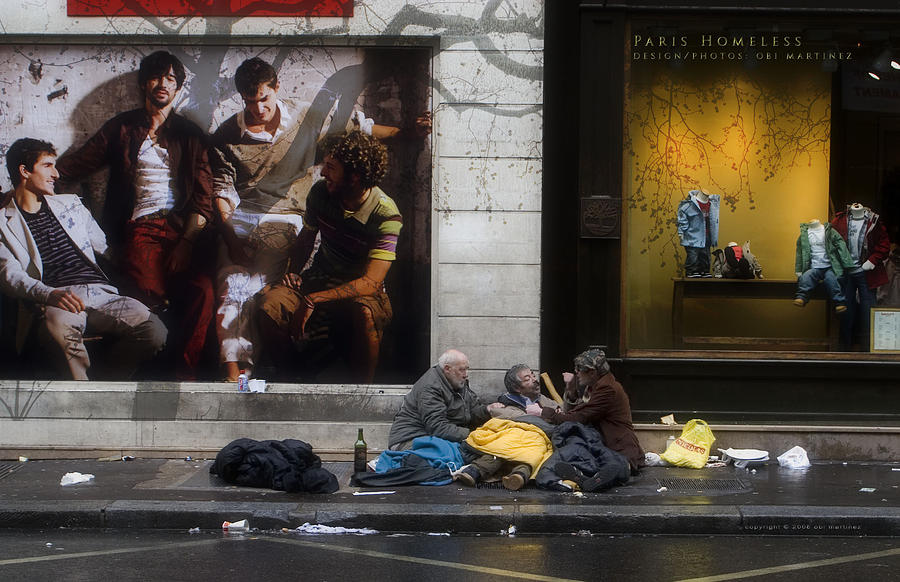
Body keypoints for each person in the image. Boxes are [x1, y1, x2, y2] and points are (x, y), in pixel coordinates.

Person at [210, 57, 406, 382]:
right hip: (243, 221)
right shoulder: (226, 135)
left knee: (255, 289)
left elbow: (359, 128)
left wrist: (405, 131)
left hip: (287, 220)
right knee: (230, 287)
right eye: (249, 102)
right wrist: (231, 240)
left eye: (264, 99)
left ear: (276, 88)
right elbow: (221, 192)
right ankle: (234, 374)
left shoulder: (304, 116)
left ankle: (254, 372)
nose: (258, 109)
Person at [56, 50, 215, 380]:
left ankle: (183, 378)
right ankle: (148, 370)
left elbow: (204, 199)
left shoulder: (190, 134)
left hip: (182, 230)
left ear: (178, 87)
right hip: (139, 227)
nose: (163, 84)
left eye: (171, 79)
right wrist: (34, 179)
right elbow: (78, 163)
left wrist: (186, 243)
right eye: (157, 77)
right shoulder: (123, 127)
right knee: (146, 294)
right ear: (144, 83)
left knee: (203, 292)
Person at [0, 138, 167, 380]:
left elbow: (104, 248)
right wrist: (48, 294)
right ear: (24, 171)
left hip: (102, 294)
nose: (56, 174)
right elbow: (9, 276)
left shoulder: (71, 205)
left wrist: (144, 271)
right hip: (57, 299)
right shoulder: (4, 223)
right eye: (47, 166)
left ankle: (105, 386)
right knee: (56, 328)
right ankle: (81, 391)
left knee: (154, 331)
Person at [256, 130, 401, 383]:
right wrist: (292, 272)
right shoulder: (321, 193)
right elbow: (305, 240)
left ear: (354, 176)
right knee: (270, 304)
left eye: (331, 168)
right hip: (320, 278)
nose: (323, 173)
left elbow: (371, 282)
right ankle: (292, 381)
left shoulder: (386, 214)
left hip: (360, 288)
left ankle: (361, 394)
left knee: (365, 312)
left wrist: (313, 300)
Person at [540, 348, 643, 474]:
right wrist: (571, 391)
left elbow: (580, 417)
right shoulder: (595, 386)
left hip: (619, 452)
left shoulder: (607, 389)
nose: (576, 372)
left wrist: (545, 413)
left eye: (580, 369)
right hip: (606, 449)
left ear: (592, 373)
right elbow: (580, 412)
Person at [387, 349, 497, 451]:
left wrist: (487, 410)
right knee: (459, 453)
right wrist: (473, 434)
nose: (466, 375)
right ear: (447, 369)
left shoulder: (457, 382)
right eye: (462, 370)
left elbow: (470, 412)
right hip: (409, 439)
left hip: (432, 437)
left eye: (467, 369)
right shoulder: (430, 387)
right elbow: (438, 427)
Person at [830, 203, 891, 350]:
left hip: (867, 273)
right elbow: (830, 243)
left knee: (868, 311)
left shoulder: (873, 221)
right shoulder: (839, 220)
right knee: (846, 310)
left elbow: (884, 245)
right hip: (846, 272)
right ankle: (844, 347)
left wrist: (872, 260)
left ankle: (868, 347)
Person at [793, 218, 854, 314]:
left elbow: (841, 245)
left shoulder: (829, 231)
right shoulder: (804, 235)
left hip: (830, 266)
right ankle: (801, 297)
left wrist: (847, 263)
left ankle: (839, 302)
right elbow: (799, 253)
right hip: (814, 266)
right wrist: (799, 270)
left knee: (831, 279)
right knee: (806, 276)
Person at [491, 363, 558, 419]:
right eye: (527, 379)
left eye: (533, 376)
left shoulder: (541, 398)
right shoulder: (506, 409)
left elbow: (563, 410)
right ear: (517, 388)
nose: (535, 380)